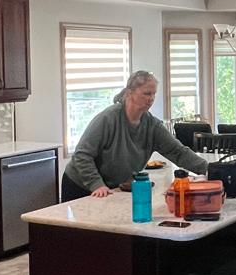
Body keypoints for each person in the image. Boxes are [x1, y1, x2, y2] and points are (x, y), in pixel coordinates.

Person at [61, 70, 210, 199]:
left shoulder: (152, 125)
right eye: (146, 93)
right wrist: (96, 184)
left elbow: (178, 152)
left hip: (110, 187)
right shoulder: (109, 118)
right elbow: (82, 155)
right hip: (80, 185)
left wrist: (210, 170)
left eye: (153, 94)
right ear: (129, 93)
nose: (151, 98)